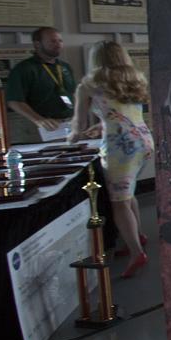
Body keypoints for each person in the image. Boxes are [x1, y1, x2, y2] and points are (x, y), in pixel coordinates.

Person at [66, 42, 155, 277]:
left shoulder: (88, 84)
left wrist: (72, 137)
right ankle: (137, 237)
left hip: (119, 148)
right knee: (129, 193)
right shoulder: (134, 77)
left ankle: (136, 251)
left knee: (119, 202)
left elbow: (78, 124)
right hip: (143, 141)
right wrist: (102, 125)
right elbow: (123, 113)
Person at [5, 27, 77, 140]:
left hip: (66, 124)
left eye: (60, 41)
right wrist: (39, 120)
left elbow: (71, 94)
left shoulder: (64, 67)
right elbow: (14, 101)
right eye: (53, 41)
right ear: (37, 44)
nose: (58, 44)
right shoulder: (24, 69)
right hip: (39, 127)